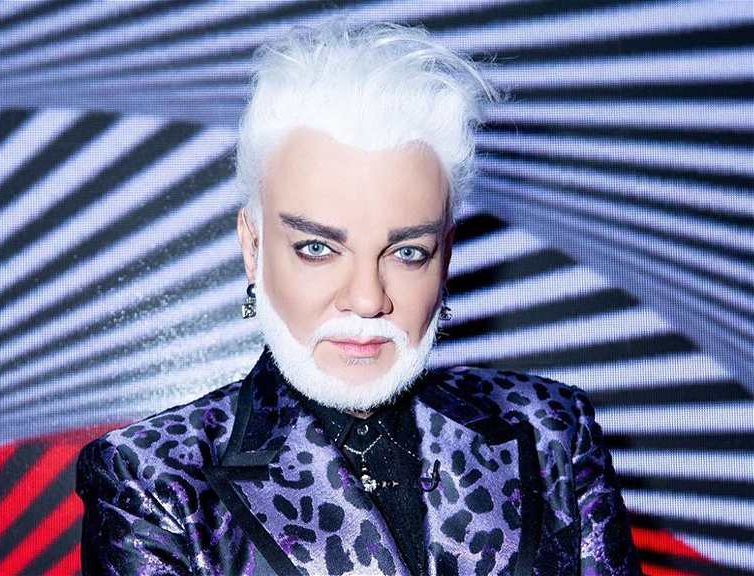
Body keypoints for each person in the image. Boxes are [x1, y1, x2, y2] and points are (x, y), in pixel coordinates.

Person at [76, 20, 642, 576]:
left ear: (445, 256)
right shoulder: (155, 480)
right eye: (318, 248)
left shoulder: (550, 432)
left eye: (407, 252)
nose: (368, 299)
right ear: (254, 247)